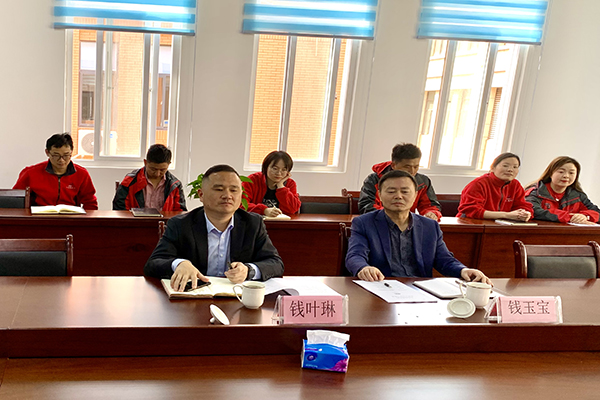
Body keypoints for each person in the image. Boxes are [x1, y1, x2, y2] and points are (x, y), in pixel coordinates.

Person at [144, 164, 284, 291]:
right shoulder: (180, 224)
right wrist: (179, 264)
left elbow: (275, 263)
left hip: (237, 298)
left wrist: (248, 270)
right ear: (201, 195)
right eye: (219, 189)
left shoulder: (253, 224)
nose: (227, 196)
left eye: (234, 190)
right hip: (195, 297)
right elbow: (153, 264)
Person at [347, 170, 491, 283]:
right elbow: (355, 255)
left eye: (405, 191)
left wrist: (463, 270)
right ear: (379, 194)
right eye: (391, 191)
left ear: (415, 195)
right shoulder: (364, 223)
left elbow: (444, 260)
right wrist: (364, 268)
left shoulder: (430, 226)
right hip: (382, 286)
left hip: (419, 289)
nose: (398, 196)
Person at [13, 133, 98, 210]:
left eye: (66, 155)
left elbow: (90, 202)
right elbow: (16, 199)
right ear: (47, 152)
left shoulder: (81, 174)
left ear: (71, 152)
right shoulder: (30, 173)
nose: (61, 160)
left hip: (71, 218)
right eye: (56, 155)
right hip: (39, 217)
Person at [358, 143, 442, 221]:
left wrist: (431, 213)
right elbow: (367, 206)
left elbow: (430, 206)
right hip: (379, 223)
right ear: (393, 165)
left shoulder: (423, 182)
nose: (412, 171)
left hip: (407, 224)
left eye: (416, 167)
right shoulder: (374, 180)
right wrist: (393, 215)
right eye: (407, 166)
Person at [457, 152, 533, 221]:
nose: (510, 170)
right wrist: (506, 215)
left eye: (515, 167)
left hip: (501, 225)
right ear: (492, 167)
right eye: (505, 166)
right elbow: (472, 211)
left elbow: (523, 206)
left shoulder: (515, 185)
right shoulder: (479, 184)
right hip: (471, 224)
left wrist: (525, 214)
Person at [525, 156, 599, 224]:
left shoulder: (578, 195)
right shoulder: (536, 192)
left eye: (571, 173)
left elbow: (597, 213)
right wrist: (569, 217)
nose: (566, 176)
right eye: (561, 172)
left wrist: (585, 216)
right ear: (550, 173)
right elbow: (533, 211)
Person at [113, 144, 187, 211]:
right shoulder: (129, 182)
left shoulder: (175, 185)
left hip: (166, 222)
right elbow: (119, 210)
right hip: (135, 221)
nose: (157, 174)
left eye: (162, 170)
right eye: (153, 169)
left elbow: (180, 214)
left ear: (169, 164)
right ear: (145, 162)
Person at [242, 151, 301, 217]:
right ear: (266, 167)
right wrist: (264, 210)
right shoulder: (252, 180)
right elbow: (242, 205)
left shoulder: (290, 184)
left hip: (281, 222)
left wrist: (281, 187)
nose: (279, 173)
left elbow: (293, 209)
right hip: (255, 221)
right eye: (275, 168)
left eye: (284, 170)